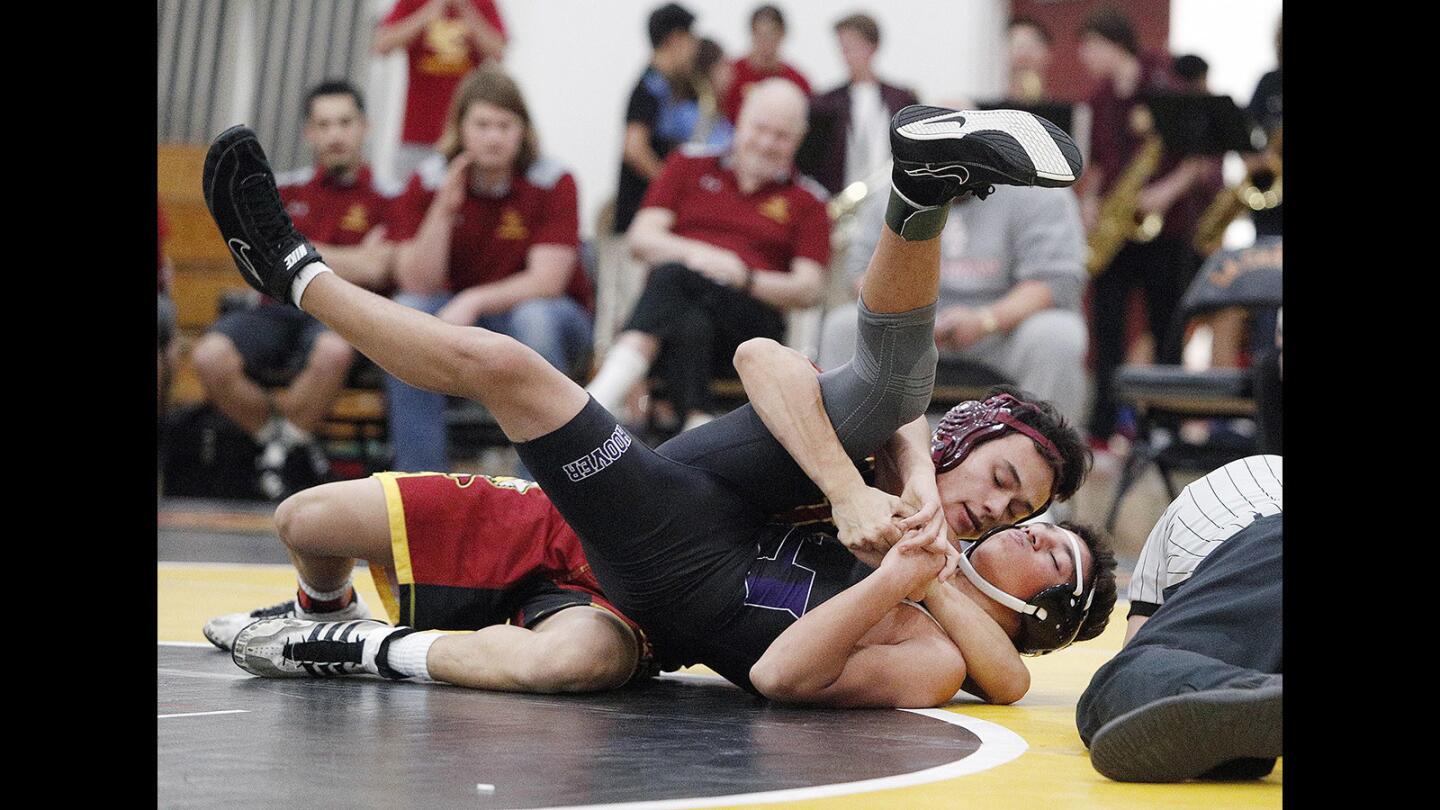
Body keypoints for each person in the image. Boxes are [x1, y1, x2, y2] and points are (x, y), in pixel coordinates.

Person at [202, 102, 1110, 708]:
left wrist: (921, 574)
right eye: (1003, 486)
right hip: (620, 517)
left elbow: (1001, 678)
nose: (1002, 513)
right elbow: (763, 354)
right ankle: (319, 608)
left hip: (650, 594)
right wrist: (857, 488)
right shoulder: (896, 456)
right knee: (307, 518)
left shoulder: (935, 599)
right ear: (964, 442)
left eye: (1025, 517)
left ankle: (354, 644)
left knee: (576, 660)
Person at [190, 80, 397, 499]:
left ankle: (279, 449)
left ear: (365, 127)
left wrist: (287, 251)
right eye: (324, 124)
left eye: (345, 122)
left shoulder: (389, 196)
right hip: (275, 309)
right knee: (207, 356)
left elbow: (378, 268)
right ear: (309, 133)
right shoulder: (280, 189)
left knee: (334, 351)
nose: (335, 134)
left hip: (340, 311)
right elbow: (255, 260)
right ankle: (284, 441)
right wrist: (349, 258)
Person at [384, 66, 594, 473]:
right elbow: (416, 281)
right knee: (408, 313)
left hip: (548, 313)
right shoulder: (428, 179)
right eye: (482, 124)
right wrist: (443, 209)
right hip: (461, 315)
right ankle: (420, 485)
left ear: (523, 131)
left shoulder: (553, 179)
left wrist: (473, 299)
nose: (494, 137)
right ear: (460, 128)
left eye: (505, 125)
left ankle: (538, 487)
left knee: (535, 319)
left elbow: (547, 282)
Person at [587, 79, 829, 431]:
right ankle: (697, 422)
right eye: (759, 128)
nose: (765, 143)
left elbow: (808, 288)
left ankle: (603, 394)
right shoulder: (687, 165)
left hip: (749, 328)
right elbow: (641, 238)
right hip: (678, 326)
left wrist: (743, 276)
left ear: (799, 138)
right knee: (689, 314)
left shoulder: (809, 201)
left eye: (781, 135)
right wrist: (704, 258)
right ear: (739, 120)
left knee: (672, 277)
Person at [1077, 455, 1282, 782]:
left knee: (1111, 690)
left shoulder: (1181, 522)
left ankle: (1244, 695)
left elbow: (1135, 663)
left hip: (1259, 543)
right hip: (1256, 544)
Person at [817, 183, 1089, 429]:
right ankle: (843, 458)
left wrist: (985, 321)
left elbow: (1054, 281)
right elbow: (862, 275)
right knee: (843, 326)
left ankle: (1045, 459)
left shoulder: (1039, 192)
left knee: (1059, 335)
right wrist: (913, 318)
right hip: (909, 329)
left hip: (1002, 333)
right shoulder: (899, 188)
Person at [1076, 5, 1223, 449]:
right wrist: (1090, 200)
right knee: (1107, 330)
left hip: (1168, 227)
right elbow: (1099, 161)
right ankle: (1102, 427)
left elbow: (1201, 159)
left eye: (1090, 46)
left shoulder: (1168, 87)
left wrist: (1166, 191)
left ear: (1112, 42)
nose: (1085, 56)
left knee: (1166, 327)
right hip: (1116, 229)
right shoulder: (1099, 98)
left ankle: (1165, 425)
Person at [374, 0, 507, 183]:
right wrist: (430, 10)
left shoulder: (482, 3)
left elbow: (498, 52)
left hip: (466, 138)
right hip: (417, 133)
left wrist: (465, 8)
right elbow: (382, 45)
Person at [806, 13, 919, 196]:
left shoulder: (902, 100)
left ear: (873, 46)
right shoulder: (826, 104)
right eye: (843, 48)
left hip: (889, 197)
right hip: (841, 200)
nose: (847, 56)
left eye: (854, 47)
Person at [614, 3, 702, 234]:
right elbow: (634, 149)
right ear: (675, 39)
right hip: (638, 217)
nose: (695, 49)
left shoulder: (670, 87)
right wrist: (674, 186)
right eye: (692, 39)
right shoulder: (648, 88)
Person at [722, 5, 811, 124]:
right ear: (751, 34)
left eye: (771, 35)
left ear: (782, 34)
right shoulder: (730, 74)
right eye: (760, 35)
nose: (765, 43)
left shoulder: (797, 82)